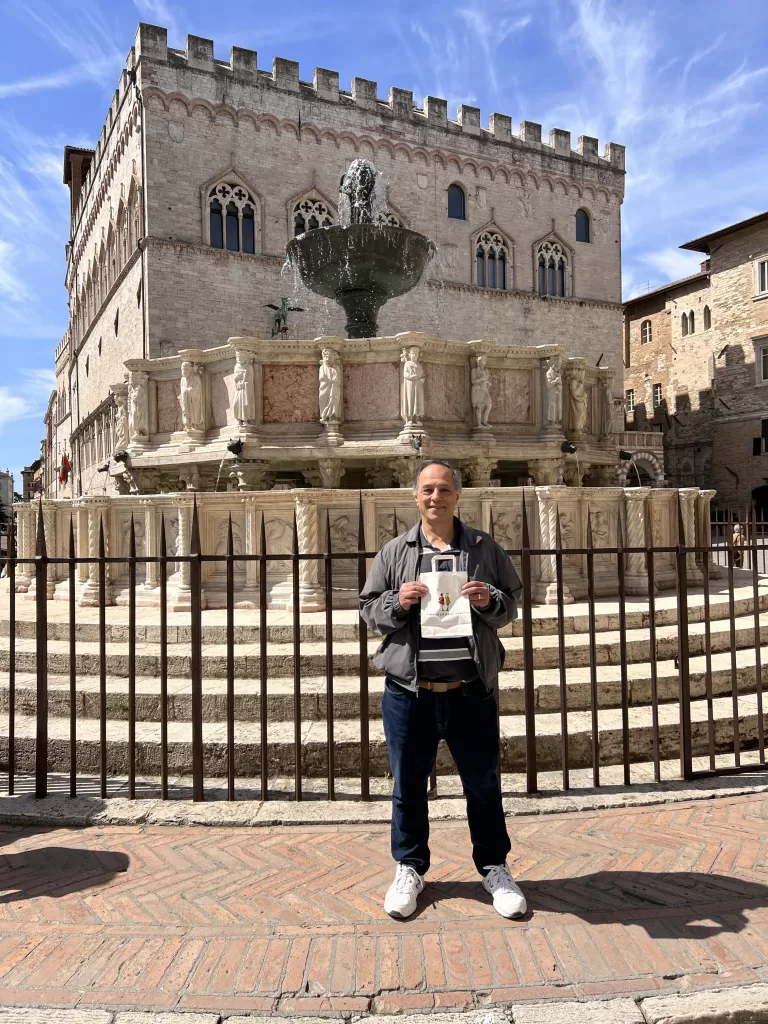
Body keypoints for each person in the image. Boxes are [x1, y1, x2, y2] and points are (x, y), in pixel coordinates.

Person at [359, 459, 526, 920]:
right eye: (428, 490)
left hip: (470, 688)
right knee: (408, 787)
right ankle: (409, 867)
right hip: (409, 690)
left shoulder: (482, 548)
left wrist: (489, 600)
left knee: (483, 784)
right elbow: (370, 608)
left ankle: (494, 866)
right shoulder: (396, 551)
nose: (436, 497)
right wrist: (399, 601)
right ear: (416, 497)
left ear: (458, 495)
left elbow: (511, 601)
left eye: (444, 489)